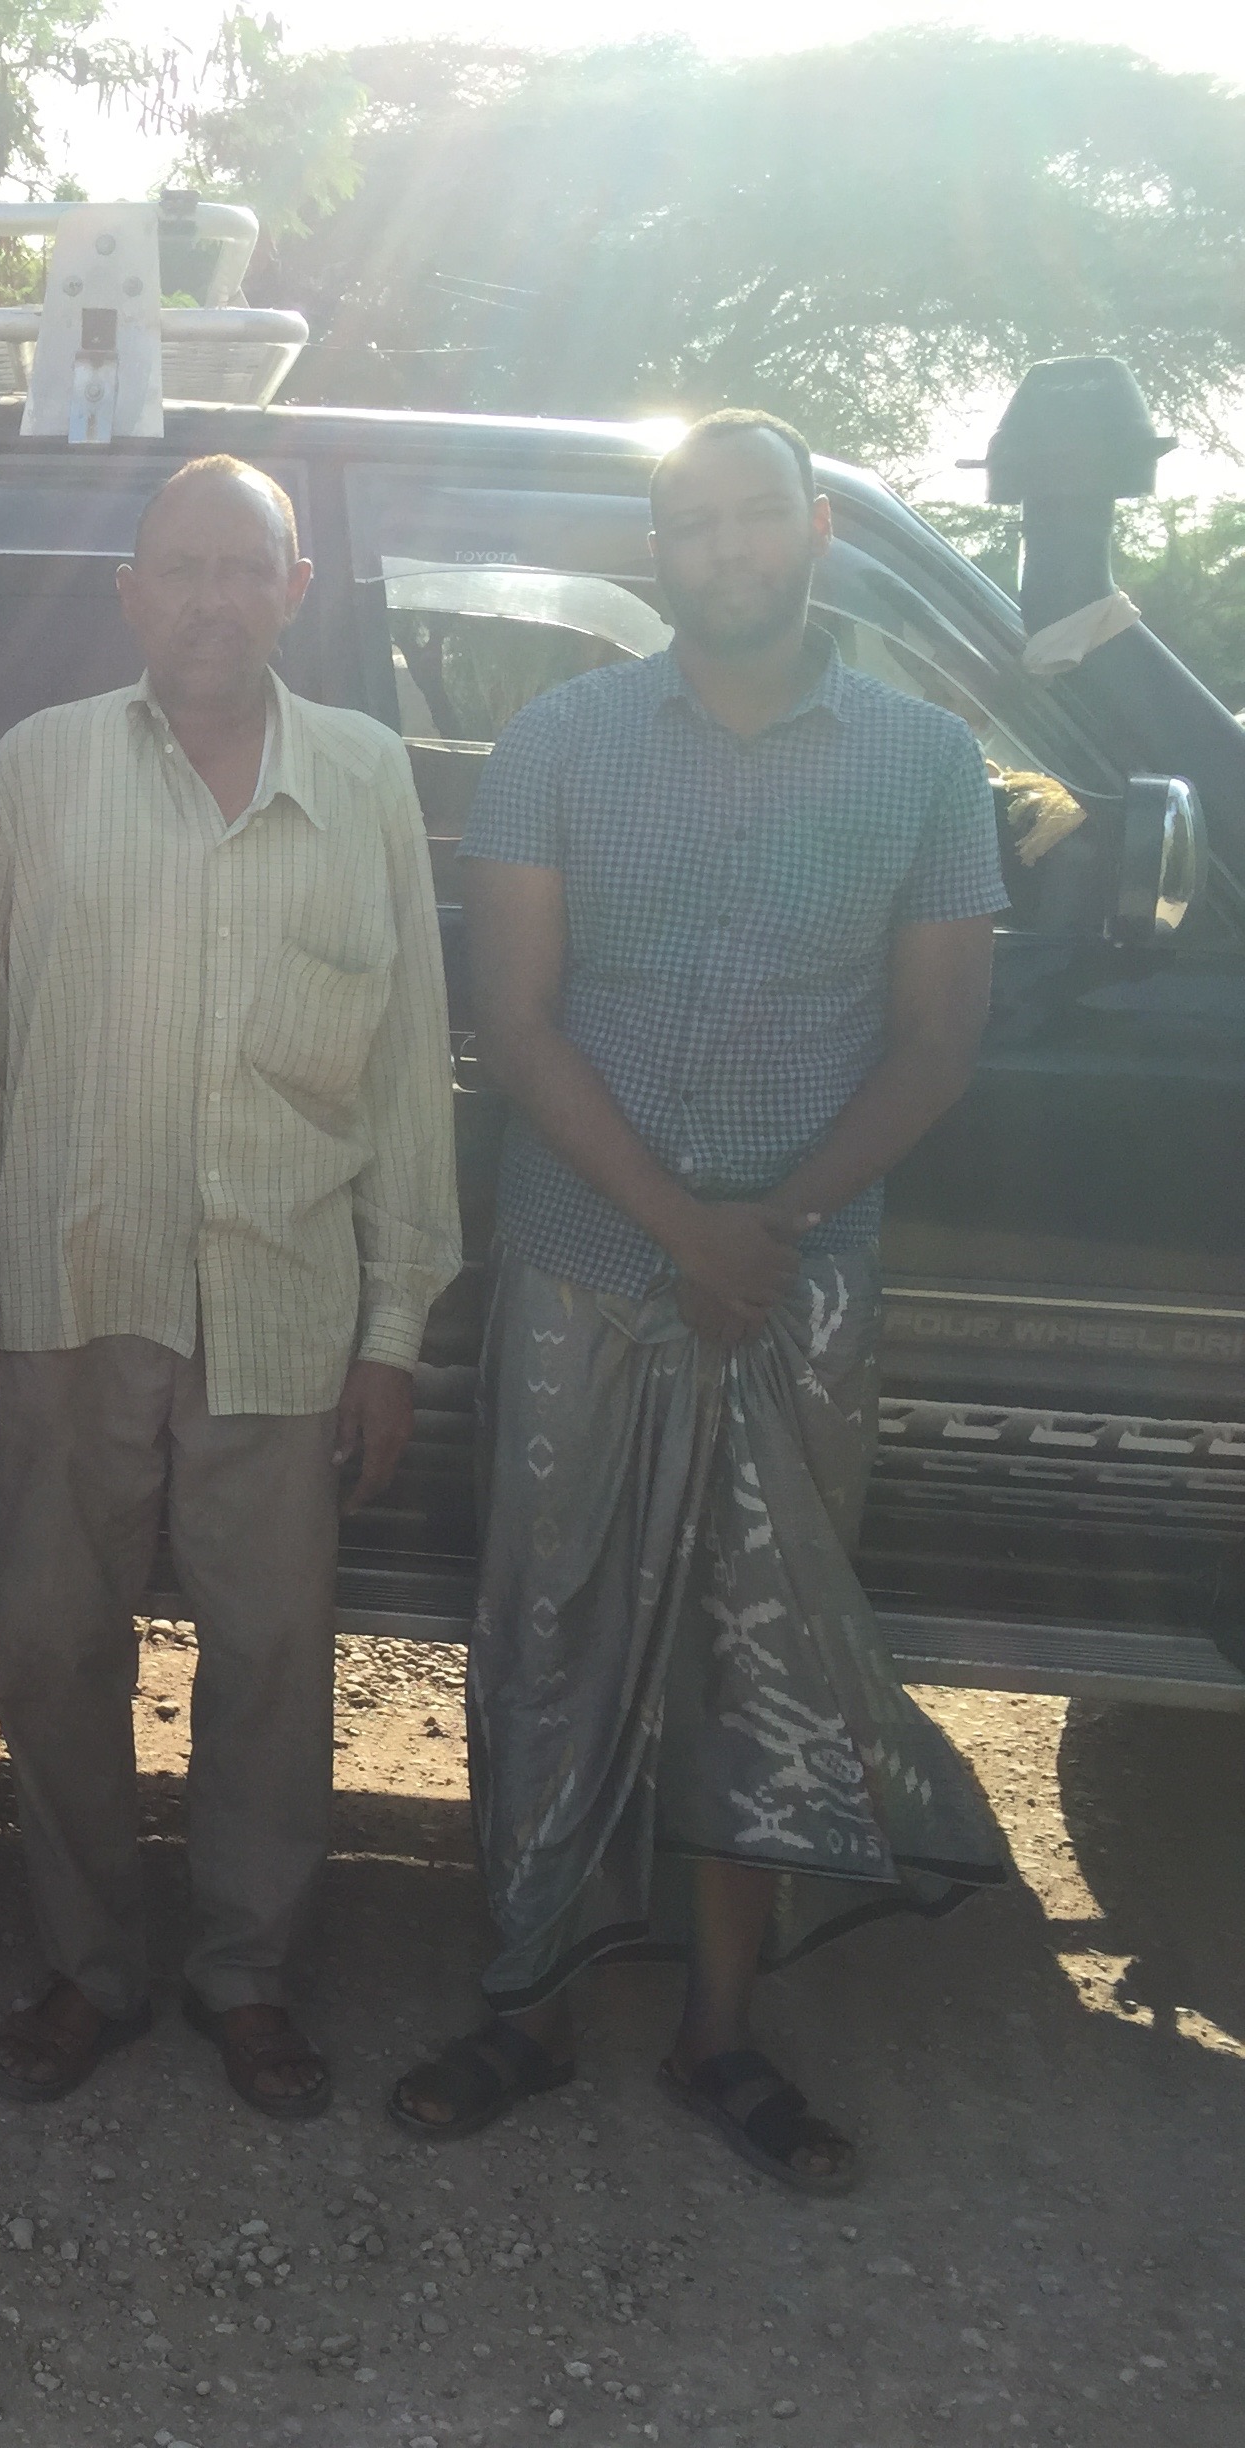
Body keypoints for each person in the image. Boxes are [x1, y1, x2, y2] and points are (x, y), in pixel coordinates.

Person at [391, 410, 1012, 2192]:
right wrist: (682, 1227)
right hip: (591, 1265)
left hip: (795, 1290)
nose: (727, 549)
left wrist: (774, 1224)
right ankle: (523, 1997)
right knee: (551, 1620)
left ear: (816, 527)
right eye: (693, 524)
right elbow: (516, 1024)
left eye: (758, 516)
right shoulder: (560, 744)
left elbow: (941, 1034)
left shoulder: (923, 761)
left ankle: (722, 2034)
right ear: (656, 549)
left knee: (767, 1648)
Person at [0, 457, 459, 2116]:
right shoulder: (39, 773)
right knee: (57, 1655)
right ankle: (91, 1971)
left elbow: (400, 1080)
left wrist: (394, 1333)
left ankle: (246, 1975)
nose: (214, 598)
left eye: (248, 567)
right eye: (183, 567)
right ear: (131, 595)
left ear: (298, 588)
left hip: (286, 1303)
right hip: (75, 1292)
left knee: (272, 1659)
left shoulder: (367, 779)